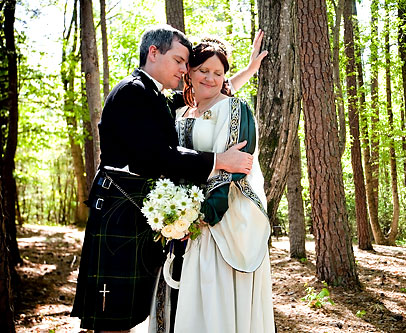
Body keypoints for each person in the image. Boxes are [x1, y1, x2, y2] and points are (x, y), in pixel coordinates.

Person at [71, 25, 266, 332]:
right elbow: (155, 157)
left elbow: (208, 92)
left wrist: (248, 71)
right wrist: (219, 161)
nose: (184, 69)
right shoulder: (134, 92)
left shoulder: (153, 95)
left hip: (132, 209)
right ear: (153, 52)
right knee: (112, 313)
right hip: (118, 210)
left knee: (125, 310)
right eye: (178, 61)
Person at [149, 38, 274, 333]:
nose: (211, 78)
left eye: (218, 73)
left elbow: (235, 170)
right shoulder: (177, 111)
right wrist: (173, 218)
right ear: (188, 72)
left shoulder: (235, 109)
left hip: (216, 223)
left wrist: (199, 218)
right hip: (177, 222)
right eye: (203, 70)